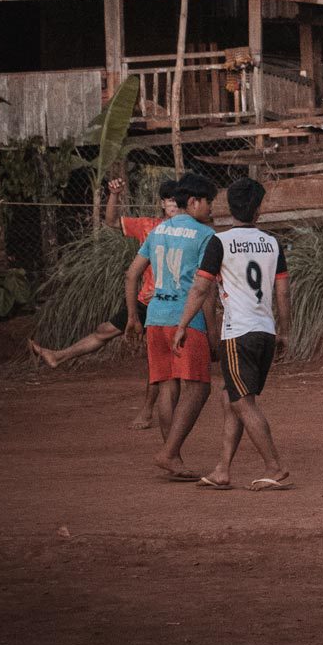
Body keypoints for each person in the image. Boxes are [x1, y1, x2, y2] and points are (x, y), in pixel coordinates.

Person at [29, 176, 179, 429]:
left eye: (177, 200)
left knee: (158, 361)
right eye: (169, 200)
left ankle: (147, 411)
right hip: (145, 299)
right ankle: (58, 356)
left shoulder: (191, 231)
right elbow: (110, 222)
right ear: (162, 203)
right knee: (104, 330)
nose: (173, 204)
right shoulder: (148, 226)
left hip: (168, 302)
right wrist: (115, 195)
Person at [172, 177, 292, 491]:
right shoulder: (272, 243)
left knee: (241, 402)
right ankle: (223, 469)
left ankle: (274, 466)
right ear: (258, 209)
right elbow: (283, 293)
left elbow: (201, 288)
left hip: (238, 333)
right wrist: (284, 332)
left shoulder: (220, 242)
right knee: (231, 397)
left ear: (231, 208)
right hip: (265, 332)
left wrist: (183, 324)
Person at [125, 172, 217, 480]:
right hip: (186, 320)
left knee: (167, 385)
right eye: (208, 202)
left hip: (155, 317)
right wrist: (212, 334)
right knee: (199, 387)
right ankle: (169, 452)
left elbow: (132, 274)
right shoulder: (206, 236)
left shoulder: (159, 230)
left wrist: (133, 317)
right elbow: (205, 290)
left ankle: (172, 455)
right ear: (193, 202)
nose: (211, 209)